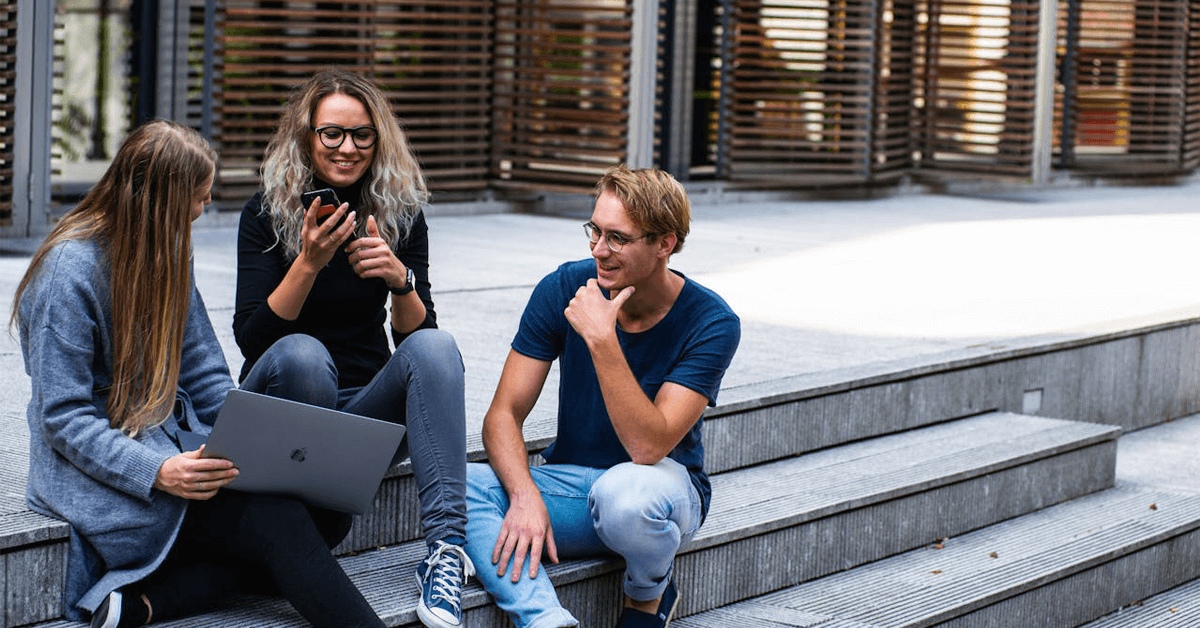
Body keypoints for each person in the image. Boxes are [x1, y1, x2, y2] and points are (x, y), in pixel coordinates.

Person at [12, 120, 387, 628]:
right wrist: (158, 472)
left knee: (329, 515)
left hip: (176, 445)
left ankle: (148, 604)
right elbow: (63, 418)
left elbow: (206, 372)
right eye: (199, 197)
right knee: (278, 523)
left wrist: (242, 445)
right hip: (102, 471)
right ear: (162, 201)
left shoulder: (168, 251)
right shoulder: (69, 271)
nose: (204, 208)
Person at [233, 69, 471, 628]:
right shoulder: (266, 213)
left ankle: (445, 554)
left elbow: (418, 341)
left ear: (379, 139)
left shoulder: (399, 213)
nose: (347, 148)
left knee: (439, 348)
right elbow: (253, 338)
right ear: (307, 136)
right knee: (303, 356)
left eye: (362, 135)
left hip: (361, 417)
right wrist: (308, 263)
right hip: (285, 406)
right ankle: (297, 528)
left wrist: (399, 280)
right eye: (331, 133)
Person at [464, 165, 741, 628]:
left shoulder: (711, 321)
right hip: (573, 483)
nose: (598, 250)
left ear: (664, 244)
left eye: (617, 238)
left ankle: (646, 597)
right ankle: (547, 620)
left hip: (660, 490)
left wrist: (602, 340)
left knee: (626, 495)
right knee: (461, 485)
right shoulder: (564, 286)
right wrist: (525, 494)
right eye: (594, 231)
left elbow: (648, 448)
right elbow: (503, 415)